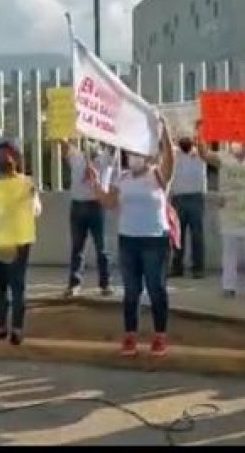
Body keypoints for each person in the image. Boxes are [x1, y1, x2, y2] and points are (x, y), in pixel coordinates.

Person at [89, 117, 175, 357]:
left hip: (155, 239)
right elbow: (109, 202)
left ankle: (160, 336)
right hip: (128, 240)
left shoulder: (158, 176)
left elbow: (170, 161)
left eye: (137, 153)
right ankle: (130, 336)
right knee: (131, 290)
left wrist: (164, 132)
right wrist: (97, 186)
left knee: (156, 288)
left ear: (147, 155)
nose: (132, 157)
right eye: (130, 153)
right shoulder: (123, 179)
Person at [0, 141, 42, 346]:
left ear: (16, 158)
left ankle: (17, 329)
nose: (3, 160)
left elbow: (36, 211)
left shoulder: (25, 184)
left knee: (17, 287)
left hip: (18, 242)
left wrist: (30, 199)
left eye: (6, 155)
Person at [198, 137, 245, 298]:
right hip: (229, 209)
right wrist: (199, 134)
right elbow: (204, 154)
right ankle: (229, 286)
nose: (236, 143)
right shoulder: (224, 157)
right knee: (229, 250)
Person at [59, 138, 115, 297]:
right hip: (78, 206)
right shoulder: (77, 157)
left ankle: (105, 283)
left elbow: (114, 145)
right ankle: (74, 284)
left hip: (97, 205)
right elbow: (63, 145)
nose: (92, 146)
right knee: (77, 247)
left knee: (101, 247)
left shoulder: (106, 159)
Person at [170, 135, 207, 279]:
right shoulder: (174, 153)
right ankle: (176, 267)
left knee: (197, 235)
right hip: (178, 197)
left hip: (196, 197)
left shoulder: (200, 153)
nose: (185, 141)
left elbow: (204, 146)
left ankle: (198, 268)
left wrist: (199, 131)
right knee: (177, 235)